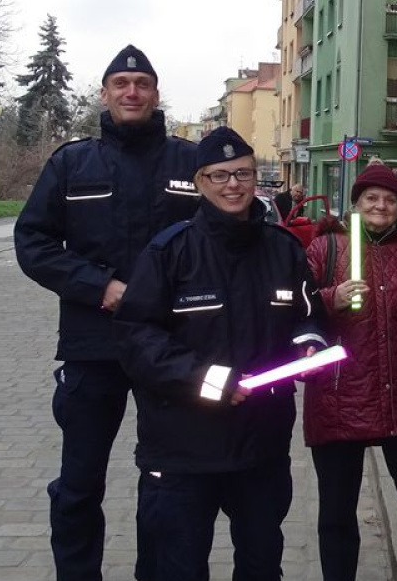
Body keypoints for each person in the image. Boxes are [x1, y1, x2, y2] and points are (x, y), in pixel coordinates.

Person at [14, 44, 199, 581]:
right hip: (92, 346)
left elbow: (225, 238)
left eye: (141, 84)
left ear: (156, 93)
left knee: (166, 477)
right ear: (105, 94)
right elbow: (33, 242)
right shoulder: (73, 163)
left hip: (170, 345)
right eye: (121, 83)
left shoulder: (191, 162)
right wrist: (102, 287)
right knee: (78, 482)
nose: (132, 92)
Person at [113, 127, 327, 581]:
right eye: (220, 175)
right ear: (200, 182)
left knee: (261, 563)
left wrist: (310, 344)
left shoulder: (283, 249)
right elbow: (137, 338)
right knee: (175, 568)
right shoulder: (170, 251)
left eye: (244, 173)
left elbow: (309, 314)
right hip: (182, 451)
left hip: (261, 448)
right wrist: (207, 380)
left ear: (256, 180)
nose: (234, 184)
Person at [303, 161, 397, 581]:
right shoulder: (326, 248)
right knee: (336, 511)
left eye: (390, 200)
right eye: (371, 198)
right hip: (339, 397)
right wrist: (330, 297)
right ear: (355, 204)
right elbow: (294, 309)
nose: (380, 206)